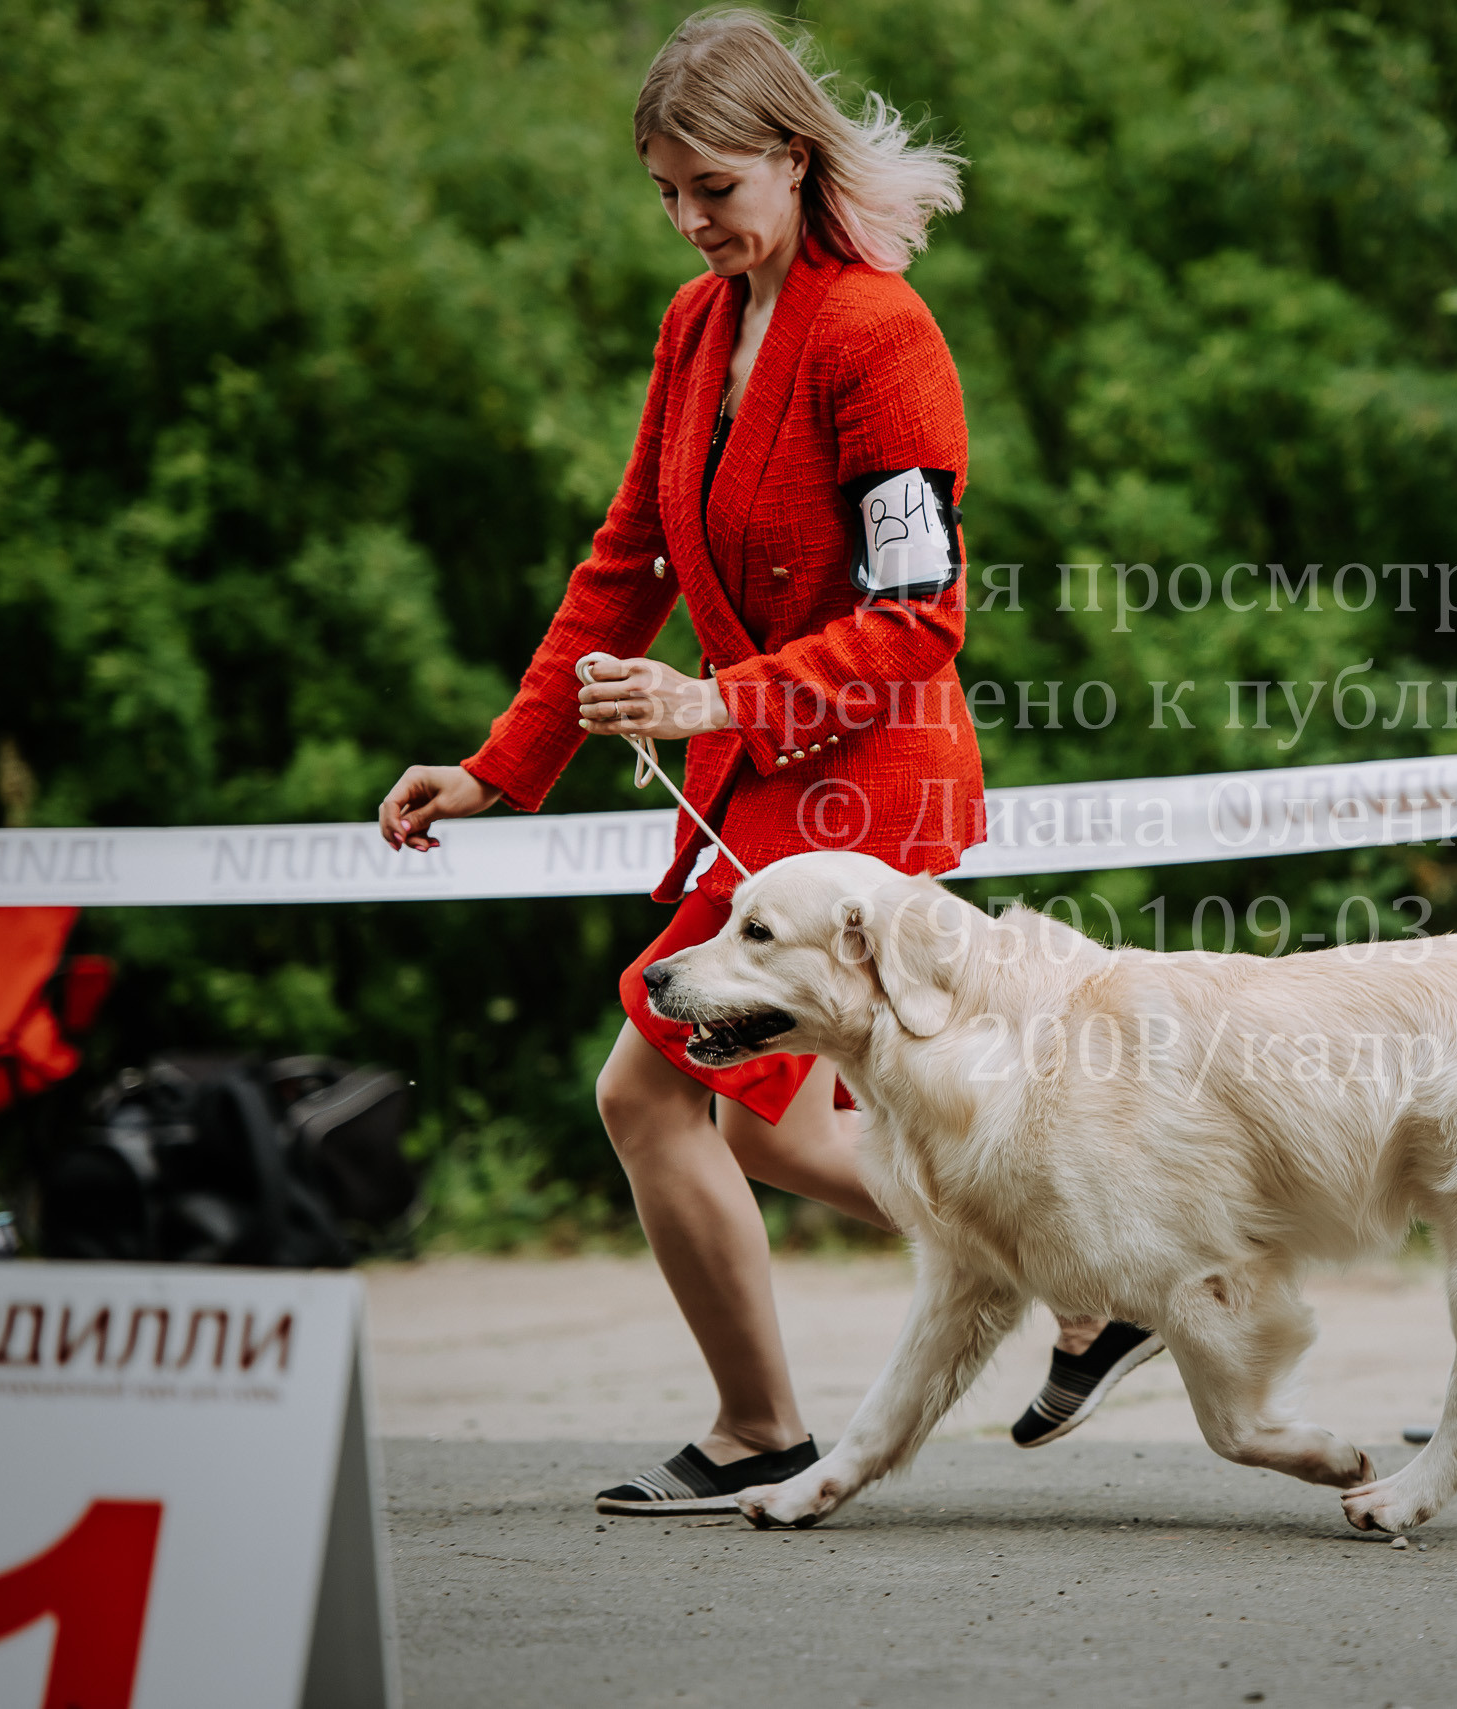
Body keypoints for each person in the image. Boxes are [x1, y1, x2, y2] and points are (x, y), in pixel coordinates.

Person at [376, 9, 1159, 1514]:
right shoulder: (693, 327)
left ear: (794, 164)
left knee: (645, 1092)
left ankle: (760, 1427)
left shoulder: (881, 336)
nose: (691, 222)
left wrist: (715, 702)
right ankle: (1092, 1280)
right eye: (667, 194)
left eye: (716, 191)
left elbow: (922, 616)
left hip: (872, 779)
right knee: (769, 1120)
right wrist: (499, 766)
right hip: (768, 776)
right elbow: (625, 562)